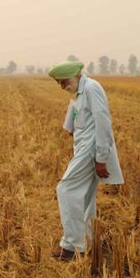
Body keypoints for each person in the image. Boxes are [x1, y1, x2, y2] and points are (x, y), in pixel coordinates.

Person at [48, 60, 123, 261]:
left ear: (76, 75)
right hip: (83, 150)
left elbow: (103, 122)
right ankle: (86, 242)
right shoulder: (80, 94)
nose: (63, 86)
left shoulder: (91, 88)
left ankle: (72, 247)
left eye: (64, 81)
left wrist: (101, 158)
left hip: (89, 153)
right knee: (85, 198)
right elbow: (82, 122)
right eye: (59, 83)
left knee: (65, 189)